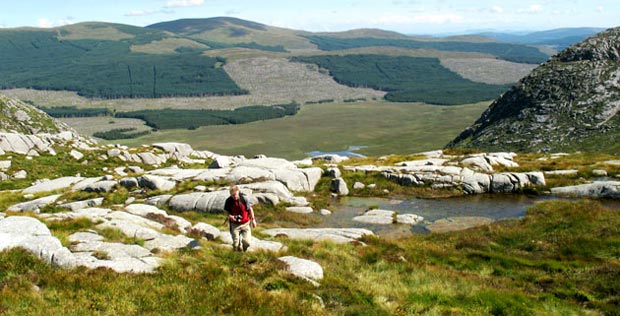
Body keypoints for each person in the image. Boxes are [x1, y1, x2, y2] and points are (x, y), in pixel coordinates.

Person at [224, 185, 256, 252]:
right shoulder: (228, 201)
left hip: (246, 223)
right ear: (230, 194)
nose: (235, 197)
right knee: (235, 244)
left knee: (247, 242)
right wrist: (230, 216)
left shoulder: (244, 199)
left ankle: (244, 251)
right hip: (234, 225)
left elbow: (250, 209)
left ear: (238, 192)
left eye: (235, 194)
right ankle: (236, 253)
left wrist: (253, 220)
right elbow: (226, 211)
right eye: (233, 195)